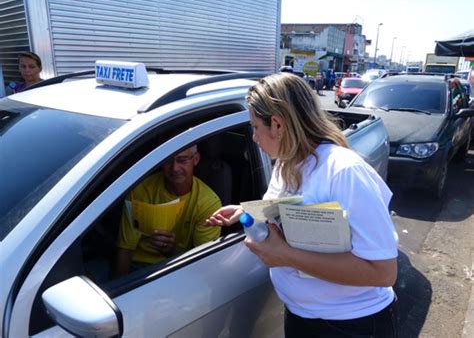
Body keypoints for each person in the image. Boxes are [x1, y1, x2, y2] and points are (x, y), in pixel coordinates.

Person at [205, 73, 399, 337]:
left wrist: (285, 256)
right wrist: (245, 211)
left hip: (351, 326)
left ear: (277, 124)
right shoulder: (286, 163)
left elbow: (384, 272)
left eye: (255, 127)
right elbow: (282, 207)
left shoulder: (343, 171)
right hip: (303, 317)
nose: (253, 137)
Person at [114, 145, 222, 277]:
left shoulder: (208, 202)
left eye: (182, 160)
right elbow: (125, 248)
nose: (174, 168)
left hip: (179, 267)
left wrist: (172, 250)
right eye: (168, 160)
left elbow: (202, 264)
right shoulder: (141, 190)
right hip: (137, 267)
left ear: (196, 159)